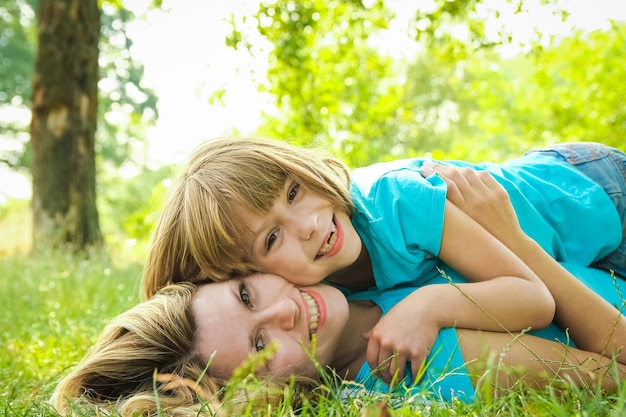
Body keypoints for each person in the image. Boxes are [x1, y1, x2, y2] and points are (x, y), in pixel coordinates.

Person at [141, 138, 626, 380]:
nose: (307, 224)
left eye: (293, 191)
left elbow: (533, 300)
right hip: (584, 269)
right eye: (271, 238)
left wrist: (428, 306)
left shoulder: (396, 203)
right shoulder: (320, 300)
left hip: (596, 197)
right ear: (252, 271)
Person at [52, 264, 626, 417]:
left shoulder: (356, 260)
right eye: (261, 348)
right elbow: (612, 379)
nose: (285, 309)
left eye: (247, 295)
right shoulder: (425, 364)